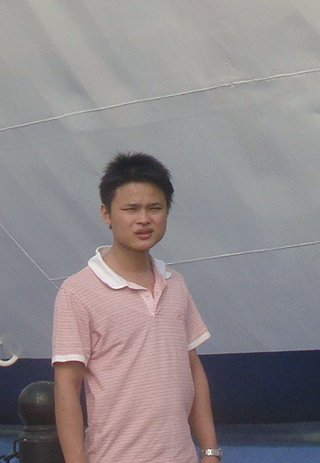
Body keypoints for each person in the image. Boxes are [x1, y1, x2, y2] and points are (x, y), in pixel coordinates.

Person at [53, 153, 219, 463]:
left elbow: (192, 368)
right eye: (130, 209)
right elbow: (67, 387)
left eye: (155, 208)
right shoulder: (78, 292)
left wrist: (210, 452)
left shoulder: (175, 284)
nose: (144, 219)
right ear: (106, 213)